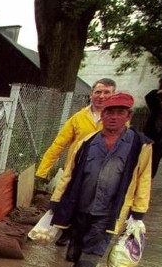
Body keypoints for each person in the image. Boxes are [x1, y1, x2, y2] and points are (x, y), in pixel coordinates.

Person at [47, 92, 153, 267]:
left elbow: (143, 179)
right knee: (78, 236)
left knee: (98, 238)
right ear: (102, 115)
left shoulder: (141, 145)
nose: (114, 117)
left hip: (112, 206)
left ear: (128, 116)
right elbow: (69, 173)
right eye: (109, 112)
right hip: (82, 202)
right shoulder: (87, 142)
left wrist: (139, 212)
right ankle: (78, 266)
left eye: (120, 112)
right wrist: (56, 200)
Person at [35, 78, 117, 248]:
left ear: (113, 95)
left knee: (93, 210)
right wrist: (43, 169)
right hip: (77, 171)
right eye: (98, 92)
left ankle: (82, 240)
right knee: (71, 204)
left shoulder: (118, 120)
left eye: (106, 92)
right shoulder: (78, 118)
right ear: (91, 94)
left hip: (104, 174)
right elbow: (59, 143)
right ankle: (67, 232)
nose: (101, 96)